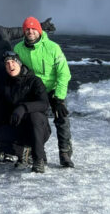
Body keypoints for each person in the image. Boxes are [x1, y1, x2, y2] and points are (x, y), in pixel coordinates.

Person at [14, 17, 74, 168]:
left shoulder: (53, 48)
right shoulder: (18, 49)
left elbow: (64, 73)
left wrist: (59, 98)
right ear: (24, 32)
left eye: (33, 28)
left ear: (39, 31)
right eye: (27, 29)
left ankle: (64, 152)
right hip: (34, 92)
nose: (30, 31)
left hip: (53, 89)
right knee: (33, 120)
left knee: (62, 118)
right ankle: (37, 153)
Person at [0, 50, 51, 172]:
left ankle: (39, 159)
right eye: (7, 63)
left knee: (35, 116)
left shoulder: (34, 81)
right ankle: (24, 152)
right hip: (16, 128)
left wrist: (23, 108)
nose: (10, 65)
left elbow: (44, 104)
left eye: (13, 62)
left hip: (37, 129)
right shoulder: (4, 84)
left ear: (20, 64)